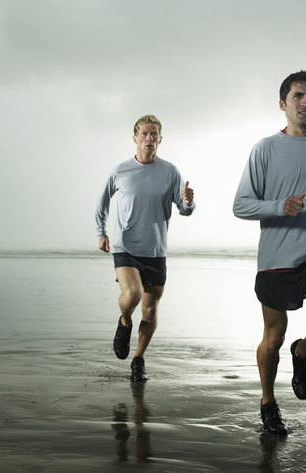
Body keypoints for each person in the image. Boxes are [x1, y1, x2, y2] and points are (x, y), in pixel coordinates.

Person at [233, 70, 306, 436]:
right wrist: (278, 207)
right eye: (298, 96)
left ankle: (302, 352)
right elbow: (241, 204)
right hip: (276, 260)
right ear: (282, 103)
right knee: (273, 336)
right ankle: (268, 402)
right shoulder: (265, 149)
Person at [95, 114, 195, 383]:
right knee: (133, 294)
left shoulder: (171, 172)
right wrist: (101, 232)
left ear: (160, 139)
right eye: (144, 134)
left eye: (154, 135)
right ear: (135, 138)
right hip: (125, 245)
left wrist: (188, 202)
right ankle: (125, 319)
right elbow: (102, 203)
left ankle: (138, 359)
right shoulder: (121, 171)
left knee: (150, 311)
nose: (149, 138)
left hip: (156, 250)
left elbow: (184, 210)